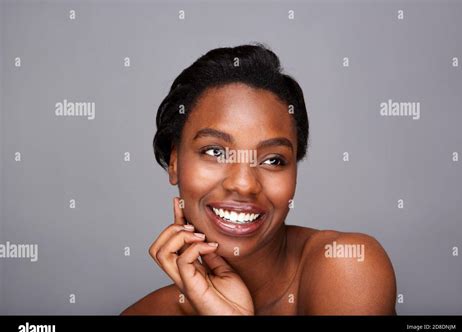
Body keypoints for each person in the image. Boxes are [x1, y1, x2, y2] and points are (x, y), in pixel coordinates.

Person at [121, 43, 397, 315]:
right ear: (175, 162)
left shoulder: (346, 266)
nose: (244, 184)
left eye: (272, 160)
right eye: (215, 151)